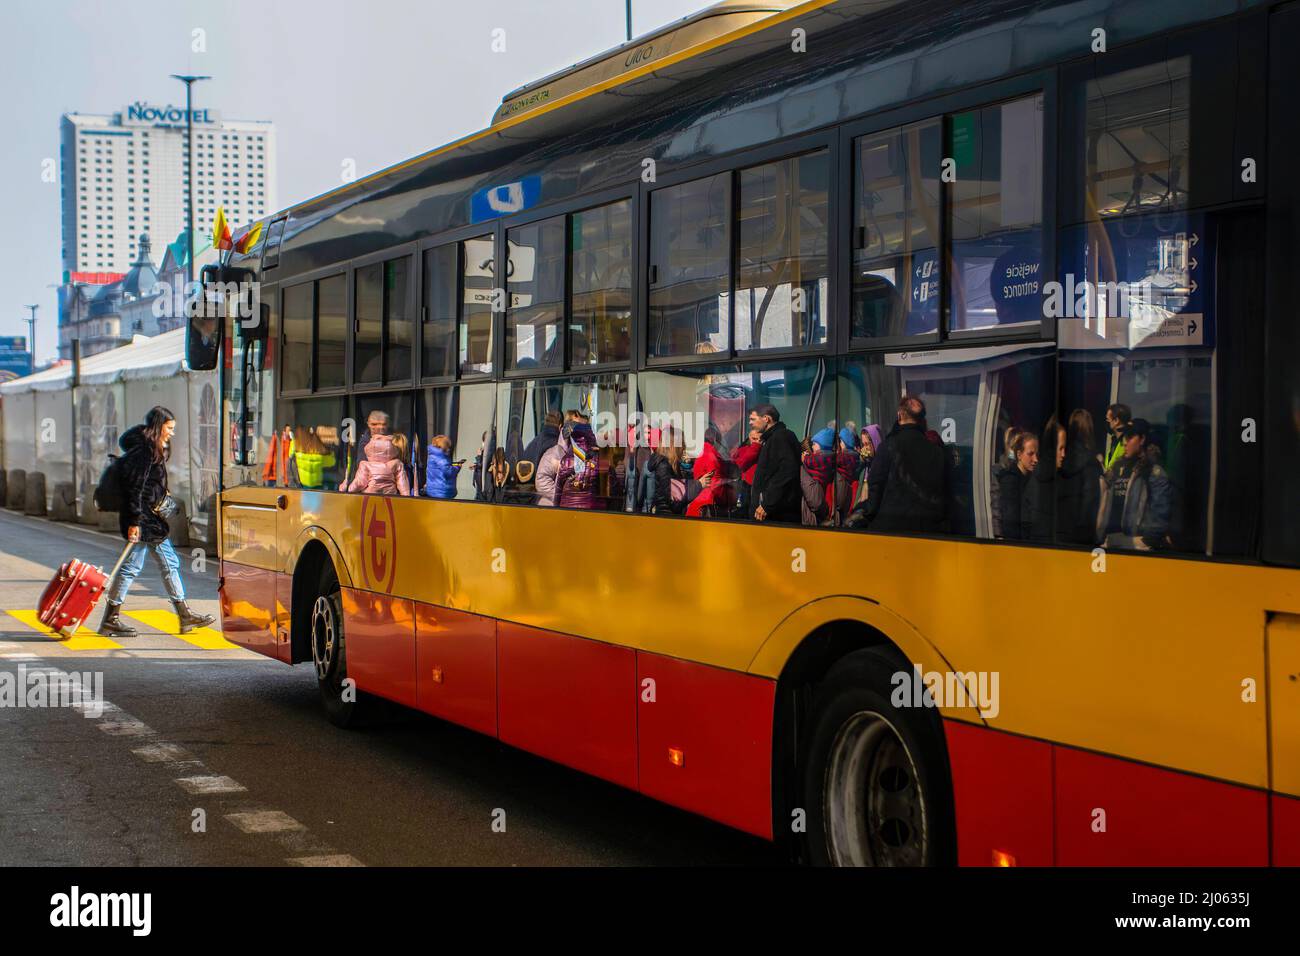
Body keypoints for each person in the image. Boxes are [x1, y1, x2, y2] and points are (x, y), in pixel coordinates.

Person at [98, 406, 215, 638]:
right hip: (143, 519)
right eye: (169, 428)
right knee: (137, 567)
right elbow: (135, 489)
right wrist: (135, 522)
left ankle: (182, 615)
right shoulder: (144, 451)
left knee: (162, 564)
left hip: (147, 519)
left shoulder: (150, 447)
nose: (172, 432)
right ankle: (112, 619)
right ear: (158, 426)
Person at [856, 395, 950, 533]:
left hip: (891, 530)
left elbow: (875, 487)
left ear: (899, 415)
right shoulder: (937, 452)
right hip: (929, 532)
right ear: (922, 420)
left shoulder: (888, 446)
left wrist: (864, 515)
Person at [1097, 418, 1172, 550]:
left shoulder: (1153, 473)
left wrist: (1146, 541)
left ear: (1142, 439)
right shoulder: (1117, 467)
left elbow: (1160, 514)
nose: (1125, 442)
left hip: (1136, 545)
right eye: (1125, 437)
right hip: (1111, 541)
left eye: (1130, 437)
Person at [748, 404, 802, 523]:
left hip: (777, 515)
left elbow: (786, 472)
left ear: (766, 419)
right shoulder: (772, 438)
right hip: (772, 512)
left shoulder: (781, 437)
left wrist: (767, 504)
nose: (750, 423)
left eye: (753, 419)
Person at [1057, 409, 1104, 545]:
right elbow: (1090, 500)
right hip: (1081, 534)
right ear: (1089, 429)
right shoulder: (1091, 462)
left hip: (1060, 529)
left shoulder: (1061, 458)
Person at [995, 428, 1039, 540]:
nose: (1035, 459)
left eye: (1037, 454)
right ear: (1019, 455)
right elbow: (1011, 523)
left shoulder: (1032, 478)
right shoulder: (1010, 481)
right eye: (1030, 454)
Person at [554, 420, 601, 509]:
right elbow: (611, 491)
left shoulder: (566, 462)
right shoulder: (599, 462)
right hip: (592, 513)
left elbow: (558, 492)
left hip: (567, 513)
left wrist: (556, 510)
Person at [339, 410, 391, 490]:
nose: (379, 427)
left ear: (388, 425)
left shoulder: (395, 440)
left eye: (383, 424)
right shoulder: (363, 441)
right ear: (368, 424)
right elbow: (361, 467)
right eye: (374, 424)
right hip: (367, 487)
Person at [346, 432, 410, 496]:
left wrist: (349, 490)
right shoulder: (399, 465)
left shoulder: (365, 464)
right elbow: (404, 487)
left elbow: (359, 482)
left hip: (369, 497)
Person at [287, 426, 336, 490]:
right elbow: (332, 463)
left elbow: (290, 455)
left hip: (303, 485)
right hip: (320, 486)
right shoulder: (321, 450)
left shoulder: (296, 447)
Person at [424, 434, 461, 499]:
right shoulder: (441, 457)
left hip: (433, 490)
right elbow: (448, 472)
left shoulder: (432, 455)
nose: (449, 449)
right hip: (442, 491)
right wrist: (457, 467)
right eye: (448, 446)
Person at [1103, 403, 1132, 472]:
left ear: (1116, 421)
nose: (1106, 422)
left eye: (1107, 420)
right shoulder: (1114, 440)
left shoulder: (1127, 442)